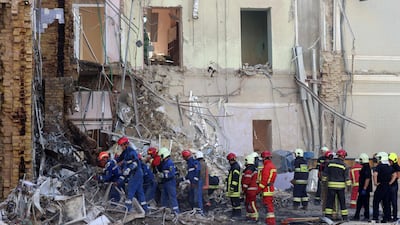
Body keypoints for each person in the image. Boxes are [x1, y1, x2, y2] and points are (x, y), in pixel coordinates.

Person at [116, 137, 148, 213]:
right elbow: (119, 159)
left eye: (122, 146)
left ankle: (127, 209)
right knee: (140, 192)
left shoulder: (132, 152)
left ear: (126, 144)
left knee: (130, 190)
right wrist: (114, 161)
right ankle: (145, 209)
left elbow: (135, 163)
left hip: (136, 173)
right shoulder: (125, 152)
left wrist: (129, 169)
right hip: (135, 173)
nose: (121, 147)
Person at [322, 149, 351, 221]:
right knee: (342, 202)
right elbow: (347, 177)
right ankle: (345, 217)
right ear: (343, 156)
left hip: (331, 186)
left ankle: (327, 217)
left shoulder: (329, 163)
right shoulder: (345, 165)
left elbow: (325, 174)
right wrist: (349, 187)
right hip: (340, 187)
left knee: (329, 202)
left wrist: (324, 182)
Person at [372, 152, 396, 223]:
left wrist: (375, 183)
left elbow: (375, 174)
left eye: (379, 158)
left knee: (376, 202)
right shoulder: (389, 167)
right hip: (387, 186)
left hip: (381, 186)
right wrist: (390, 182)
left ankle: (375, 217)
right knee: (386, 203)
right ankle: (386, 218)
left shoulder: (379, 166)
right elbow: (394, 175)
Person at [158, 147, 180, 214]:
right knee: (164, 196)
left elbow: (172, 173)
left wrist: (163, 175)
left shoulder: (169, 163)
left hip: (170, 182)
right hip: (165, 182)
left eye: (161, 156)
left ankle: (176, 212)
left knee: (172, 197)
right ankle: (163, 210)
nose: (160, 158)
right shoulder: (164, 162)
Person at [258, 150, 277, 225]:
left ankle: (270, 222)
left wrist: (258, 190)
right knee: (269, 206)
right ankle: (269, 221)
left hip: (266, 189)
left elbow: (264, 180)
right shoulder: (272, 165)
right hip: (270, 188)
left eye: (262, 158)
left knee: (268, 206)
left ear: (264, 158)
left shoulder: (267, 167)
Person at [353, 153, 372, 221]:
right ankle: (357, 216)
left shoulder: (366, 168)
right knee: (360, 203)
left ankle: (366, 216)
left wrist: (364, 188)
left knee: (365, 203)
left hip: (364, 189)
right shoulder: (365, 167)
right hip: (363, 189)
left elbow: (367, 178)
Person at [242, 154, 259, 222]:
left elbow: (246, 181)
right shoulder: (252, 169)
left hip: (250, 190)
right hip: (251, 190)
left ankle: (255, 217)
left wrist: (243, 189)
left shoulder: (249, 170)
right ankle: (249, 216)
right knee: (248, 203)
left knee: (251, 203)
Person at [226, 152, 241, 218]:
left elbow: (235, 178)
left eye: (229, 161)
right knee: (233, 202)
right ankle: (234, 214)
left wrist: (232, 187)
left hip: (235, 189)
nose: (229, 162)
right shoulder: (234, 166)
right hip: (233, 189)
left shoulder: (235, 167)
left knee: (236, 203)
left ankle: (237, 214)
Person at [388, 152, 400, 222]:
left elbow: (398, 176)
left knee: (393, 201)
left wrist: (391, 179)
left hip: (393, 186)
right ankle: (390, 216)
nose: (389, 162)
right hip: (391, 186)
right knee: (389, 201)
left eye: (390, 160)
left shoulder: (396, 167)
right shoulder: (392, 166)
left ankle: (394, 216)